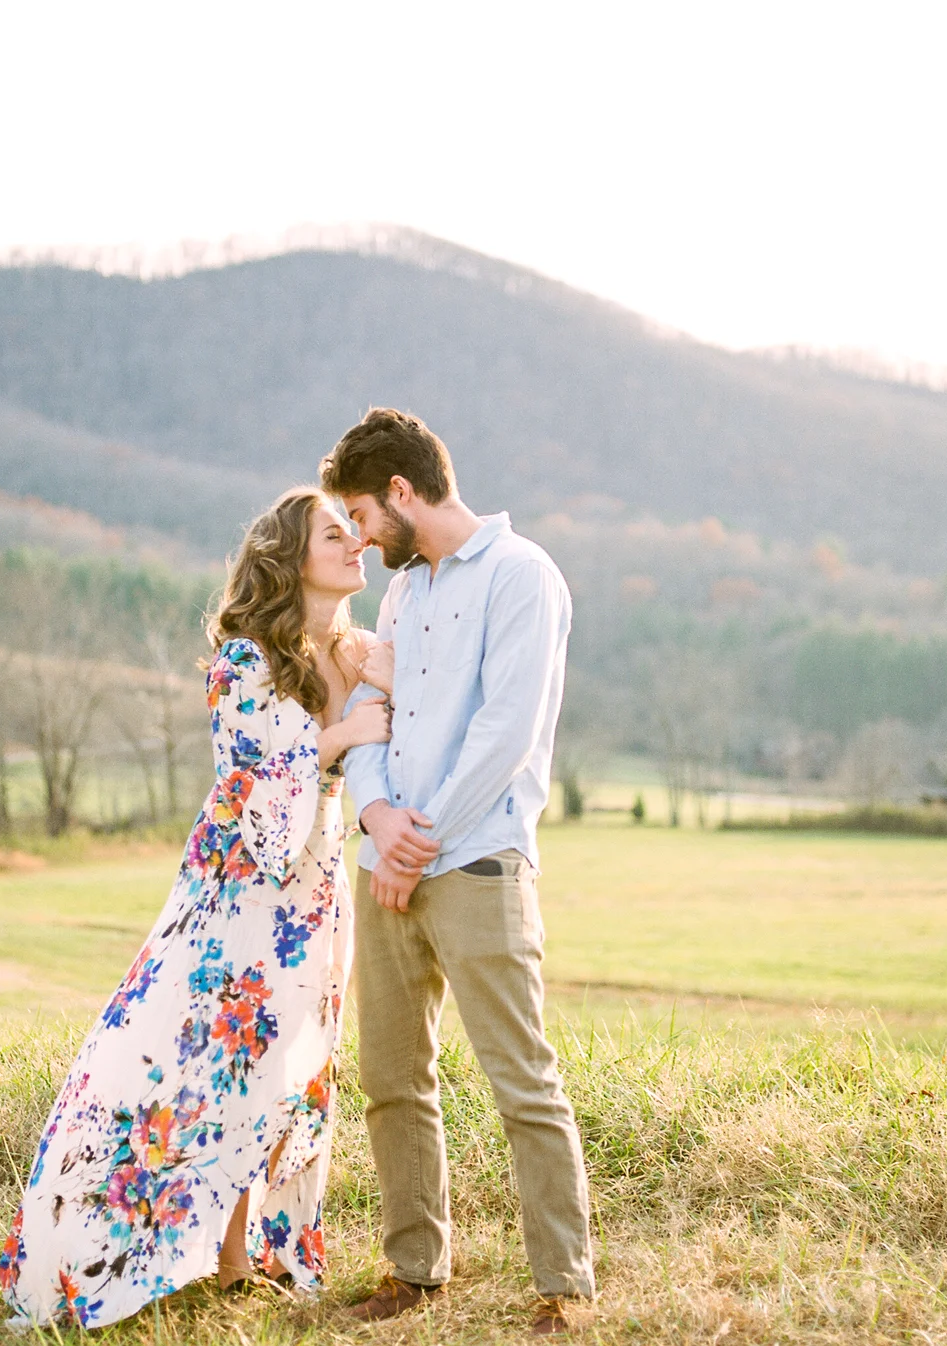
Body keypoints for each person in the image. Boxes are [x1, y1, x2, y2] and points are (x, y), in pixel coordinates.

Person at [0, 488, 390, 1329]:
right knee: (191, 1058)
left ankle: (242, 1248)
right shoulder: (244, 662)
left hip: (315, 895)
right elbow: (254, 792)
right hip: (237, 895)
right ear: (292, 559)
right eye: (335, 533)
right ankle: (120, 1246)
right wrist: (340, 740)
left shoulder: (357, 654)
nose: (356, 542)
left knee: (289, 1066)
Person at [321, 408, 594, 1338]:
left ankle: (562, 1285)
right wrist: (376, 817)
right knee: (392, 1078)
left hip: (477, 865)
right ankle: (413, 1270)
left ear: (402, 492)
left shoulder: (524, 577)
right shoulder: (403, 596)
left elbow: (505, 734)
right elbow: (369, 708)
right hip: (387, 861)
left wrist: (417, 838)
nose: (358, 537)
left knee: (523, 1081)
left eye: (360, 515)